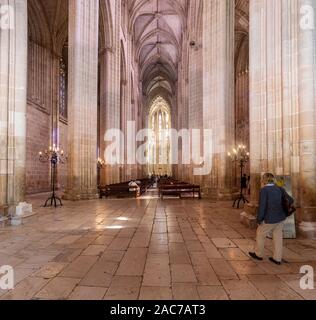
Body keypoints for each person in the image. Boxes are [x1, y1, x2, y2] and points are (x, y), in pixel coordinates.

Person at [249, 173, 294, 265]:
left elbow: (262, 206)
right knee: (278, 237)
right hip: (281, 217)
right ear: (273, 179)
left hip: (269, 218)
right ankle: (277, 258)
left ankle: (258, 254)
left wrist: (259, 219)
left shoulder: (264, 190)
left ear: (264, 180)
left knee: (260, 234)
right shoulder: (280, 188)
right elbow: (291, 200)